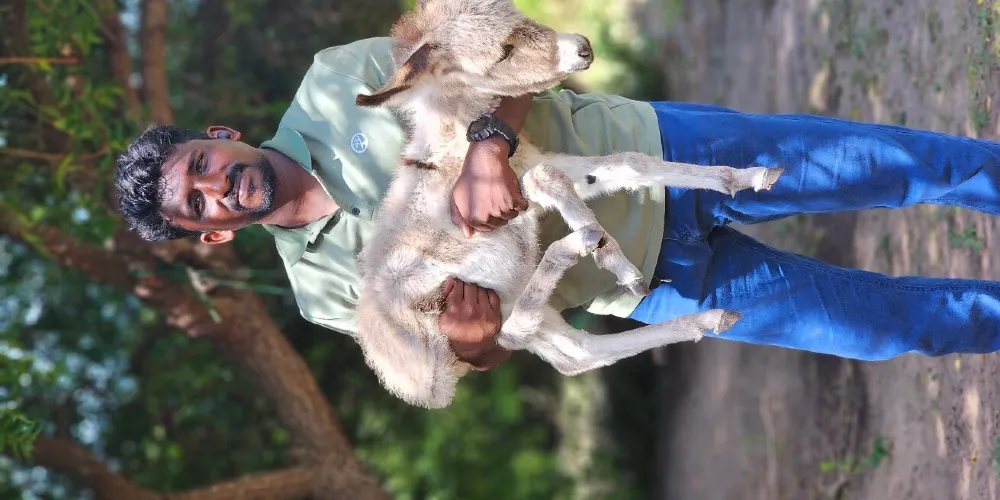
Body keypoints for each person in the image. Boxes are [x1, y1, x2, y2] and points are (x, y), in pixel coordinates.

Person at [114, 37, 1000, 371]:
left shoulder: (332, 83)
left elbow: (505, 55)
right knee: (886, 329)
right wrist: (471, 339)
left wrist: (488, 148)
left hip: (660, 153)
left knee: (899, 166)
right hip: (648, 286)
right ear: (212, 234)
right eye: (198, 205)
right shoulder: (321, 293)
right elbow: (482, 354)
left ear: (220, 134)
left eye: (202, 164)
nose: (214, 186)